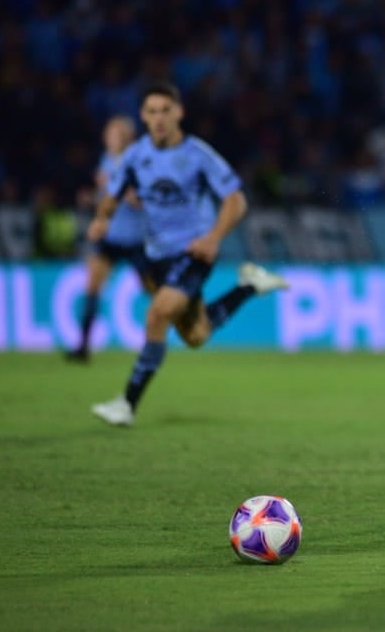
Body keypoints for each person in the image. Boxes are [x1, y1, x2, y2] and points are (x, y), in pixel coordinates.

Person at [88, 81, 288, 427]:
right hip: (157, 256)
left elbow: (236, 200)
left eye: (166, 110)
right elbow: (113, 192)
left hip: (194, 250)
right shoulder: (136, 155)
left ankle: (127, 404)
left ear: (179, 112)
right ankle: (249, 286)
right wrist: (103, 218)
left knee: (157, 314)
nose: (159, 118)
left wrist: (213, 238)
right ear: (143, 116)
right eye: (152, 112)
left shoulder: (198, 154)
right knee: (195, 335)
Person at [66, 116, 152, 362]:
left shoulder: (137, 163)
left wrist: (116, 184)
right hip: (111, 237)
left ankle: (161, 337)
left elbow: (139, 201)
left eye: (114, 134)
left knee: (152, 290)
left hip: (135, 238)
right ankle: (82, 346)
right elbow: (106, 197)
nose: (109, 138)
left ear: (125, 138)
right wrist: (91, 197)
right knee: (92, 286)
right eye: (108, 134)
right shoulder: (106, 160)